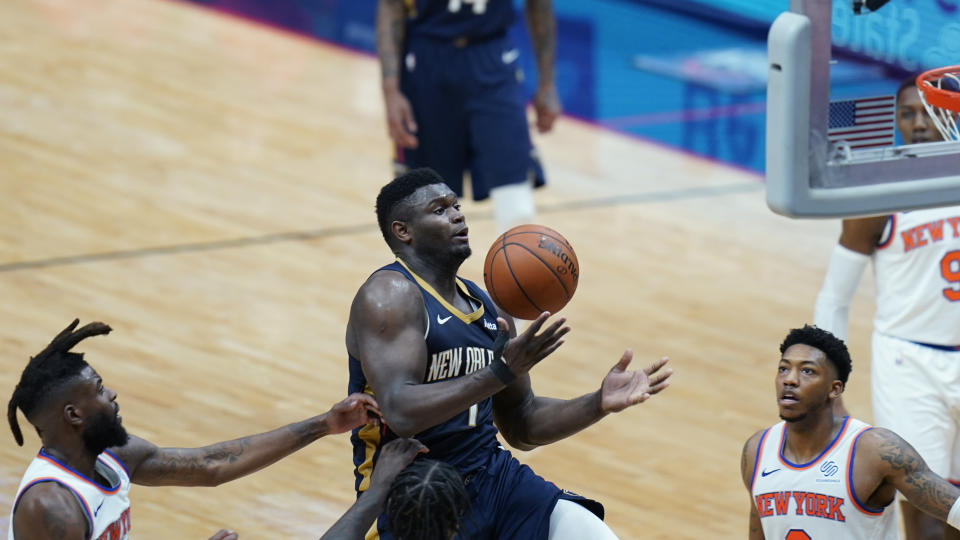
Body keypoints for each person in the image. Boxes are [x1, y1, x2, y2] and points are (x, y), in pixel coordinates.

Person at [346, 167, 673, 539]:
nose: (457, 214)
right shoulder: (389, 295)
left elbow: (522, 422)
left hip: (493, 479)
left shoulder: (489, 309)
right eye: (439, 210)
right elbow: (400, 411)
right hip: (416, 495)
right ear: (403, 231)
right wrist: (499, 372)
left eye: (456, 205)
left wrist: (597, 402)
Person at [6, 319, 381, 540]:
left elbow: (209, 465)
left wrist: (324, 424)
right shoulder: (51, 507)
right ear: (73, 415)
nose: (113, 394)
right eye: (100, 389)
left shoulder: (112, 456)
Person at [813, 76, 960, 540]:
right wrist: (827, 383)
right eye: (906, 114)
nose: (917, 124)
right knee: (924, 504)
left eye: (929, 113)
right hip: (909, 362)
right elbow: (835, 296)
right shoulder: (878, 191)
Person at [740, 325, 960, 539]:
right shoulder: (757, 450)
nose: (790, 379)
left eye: (807, 371)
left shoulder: (875, 451)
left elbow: (954, 509)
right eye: (783, 369)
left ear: (834, 389)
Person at [375, 0, 559, 232]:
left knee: (517, 205)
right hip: (427, 61)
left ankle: (517, 269)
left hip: (493, 56)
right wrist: (390, 90)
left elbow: (539, 4)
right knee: (428, 211)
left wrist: (547, 84)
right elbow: (391, 5)